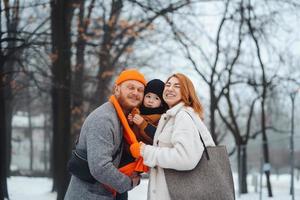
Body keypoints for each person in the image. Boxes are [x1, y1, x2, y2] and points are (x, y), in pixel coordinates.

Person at [64, 69, 147, 200]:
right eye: (130, 87)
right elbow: (100, 167)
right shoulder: (104, 119)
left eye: (140, 90)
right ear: (117, 89)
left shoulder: (126, 120)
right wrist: (129, 183)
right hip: (89, 195)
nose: (135, 93)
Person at [134, 73, 216, 200]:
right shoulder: (172, 117)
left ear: (186, 92)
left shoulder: (183, 116)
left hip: (175, 193)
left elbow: (185, 158)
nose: (170, 88)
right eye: (168, 84)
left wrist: (146, 151)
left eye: (177, 86)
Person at [128, 79, 168, 145]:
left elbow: (155, 138)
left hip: (145, 151)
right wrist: (131, 122)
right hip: (129, 148)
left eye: (156, 98)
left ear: (161, 102)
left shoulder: (161, 118)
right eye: (148, 96)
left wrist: (143, 124)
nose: (151, 101)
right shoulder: (136, 110)